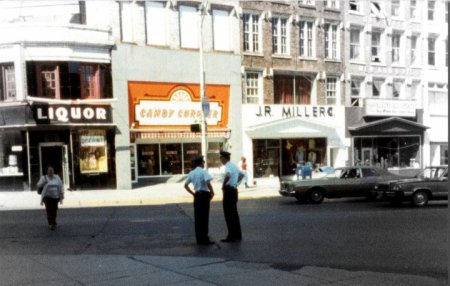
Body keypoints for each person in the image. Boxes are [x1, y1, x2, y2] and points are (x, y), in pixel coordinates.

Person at [184, 156, 215, 245]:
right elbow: (208, 183)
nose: (204, 164)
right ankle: (205, 239)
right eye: (203, 163)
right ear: (201, 163)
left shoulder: (192, 173)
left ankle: (199, 239)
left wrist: (193, 194)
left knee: (198, 218)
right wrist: (212, 192)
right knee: (204, 218)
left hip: (197, 195)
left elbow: (185, 185)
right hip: (204, 196)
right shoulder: (203, 172)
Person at [219, 151, 243, 243]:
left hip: (229, 191)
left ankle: (231, 235)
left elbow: (228, 175)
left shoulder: (228, 166)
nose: (220, 160)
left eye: (221, 158)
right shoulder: (234, 165)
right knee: (234, 214)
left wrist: (223, 185)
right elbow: (242, 175)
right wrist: (236, 183)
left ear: (224, 158)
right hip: (234, 190)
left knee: (228, 214)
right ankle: (237, 235)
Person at [37, 166, 64, 230]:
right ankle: (51, 223)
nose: (51, 172)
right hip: (47, 197)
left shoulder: (57, 177)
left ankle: (53, 221)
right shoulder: (44, 178)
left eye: (52, 170)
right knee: (49, 210)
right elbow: (38, 185)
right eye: (49, 170)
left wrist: (62, 194)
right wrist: (43, 183)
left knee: (54, 209)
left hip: (55, 196)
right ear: (47, 171)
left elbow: (61, 186)